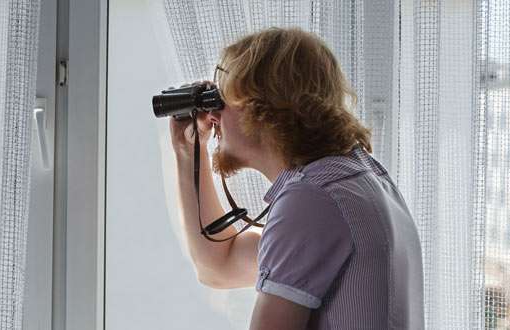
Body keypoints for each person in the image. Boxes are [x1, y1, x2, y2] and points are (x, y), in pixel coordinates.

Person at [169, 27, 424, 329]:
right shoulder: (355, 179)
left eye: (221, 99)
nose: (213, 116)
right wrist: (188, 151)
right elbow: (219, 266)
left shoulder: (315, 198)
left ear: (261, 108)